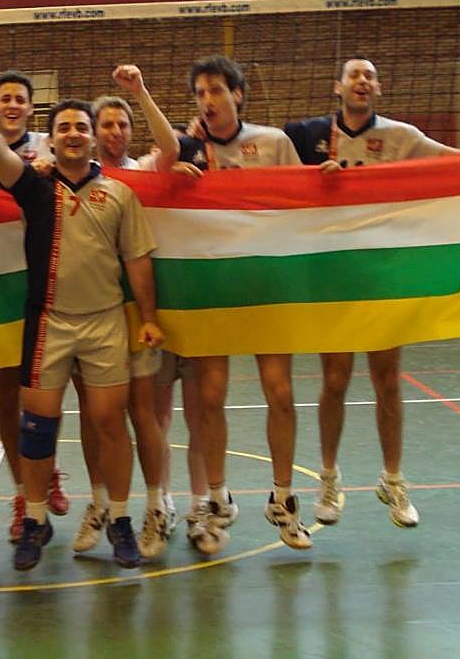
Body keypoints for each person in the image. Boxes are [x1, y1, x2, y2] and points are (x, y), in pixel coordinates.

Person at [0, 96, 163, 571]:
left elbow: (137, 261)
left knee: (110, 422)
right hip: (48, 322)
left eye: (81, 126)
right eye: (64, 127)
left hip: (104, 323)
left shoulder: (119, 193)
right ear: (51, 139)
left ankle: (119, 518)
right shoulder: (34, 186)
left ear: (93, 136)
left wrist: (150, 316)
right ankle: (36, 520)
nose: (74, 133)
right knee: (37, 429)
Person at [283, 57, 460, 530]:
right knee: (336, 379)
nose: (362, 82)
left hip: (382, 275)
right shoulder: (306, 136)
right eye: (353, 76)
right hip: (333, 275)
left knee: (387, 378)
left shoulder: (402, 137)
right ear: (338, 87)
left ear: (378, 89)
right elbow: (259, 157)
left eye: (369, 76)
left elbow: (452, 160)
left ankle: (393, 479)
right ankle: (328, 478)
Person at [174, 55, 311, 555]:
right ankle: (216, 500)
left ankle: (282, 498)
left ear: (237, 95)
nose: (208, 100)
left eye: (216, 90)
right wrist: (172, 174)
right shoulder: (188, 149)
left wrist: (331, 177)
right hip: (214, 290)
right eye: (200, 93)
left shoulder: (273, 143)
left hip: (266, 287)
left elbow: (307, 201)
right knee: (209, 397)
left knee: (279, 392)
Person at [70, 67, 180, 560]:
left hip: (134, 311)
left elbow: (172, 149)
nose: (115, 133)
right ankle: (99, 503)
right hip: (85, 312)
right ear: (93, 133)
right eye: (106, 125)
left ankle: (158, 506)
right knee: (96, 417)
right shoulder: (71, 177)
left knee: (143, 412)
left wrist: (139, 91)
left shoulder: (141, 172)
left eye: (122, 125)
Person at [0, 70, 70, 544]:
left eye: (21, 99)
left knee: (46, 395)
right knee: (6, 395)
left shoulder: (50, 146)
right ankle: (23, 494)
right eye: (6, 99)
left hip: (48, 282)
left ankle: (49, 472)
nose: (13, 105)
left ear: (31, 109)